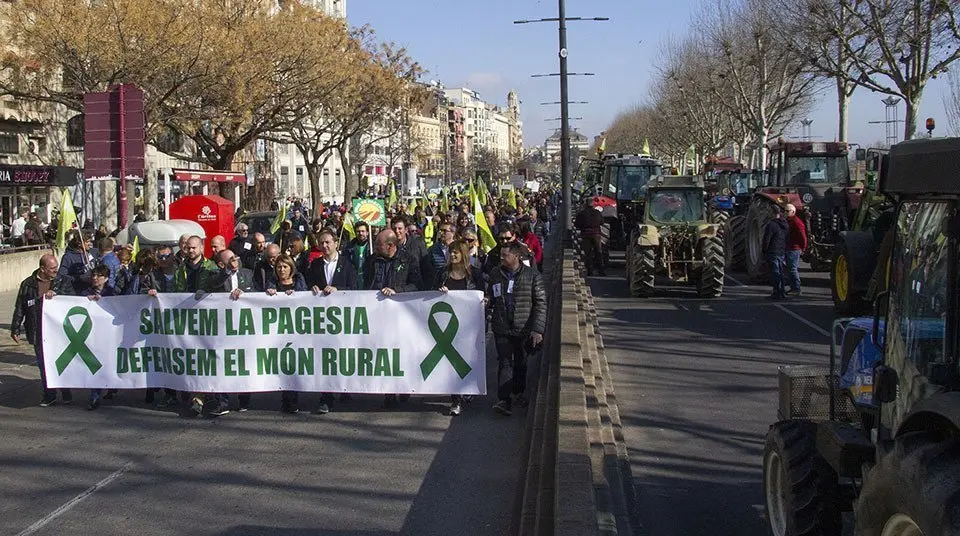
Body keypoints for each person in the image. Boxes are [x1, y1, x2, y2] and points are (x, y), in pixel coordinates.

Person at [487, 242, 546, 417]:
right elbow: (491, 294)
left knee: (520, 362)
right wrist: (487, 301)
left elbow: (541, 304)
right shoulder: (495, 274)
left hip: (523, 328)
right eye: (501, 255)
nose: (502, 258)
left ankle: (519, 392)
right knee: (505, 362)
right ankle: (504, 399)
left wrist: (537, 330)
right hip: (502, 327)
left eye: (505, 255)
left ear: (516, 256)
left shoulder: (532, 276)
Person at [303, 229, 357, 414]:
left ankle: (344, 387)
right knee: (325, 356)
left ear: (336, 243)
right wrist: (313, 288)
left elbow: (354, 288)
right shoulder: (315, 265)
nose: (324, 246)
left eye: (328, 242)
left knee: (341, 354)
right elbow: (308, 285)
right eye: (321, 243)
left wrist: (338, 289)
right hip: (322, 320)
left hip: (341, 319)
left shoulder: (347, 265)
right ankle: (326, 397)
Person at [366, 229, 421, 408]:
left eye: (378, 245)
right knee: (384, 352)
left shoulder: (408, 259)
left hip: (401, 314)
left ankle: (404, 385)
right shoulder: (372, 261)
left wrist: (398, 292)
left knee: (402, 352)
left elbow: (417, 284)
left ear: (390, 246)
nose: (375, 248)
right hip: (378, 314)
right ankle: (389, 391)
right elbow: (366, 283)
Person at [11, 254, 75, 406]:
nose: (56, 270)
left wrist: (58, 296)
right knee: (43, 364)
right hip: (37, 330)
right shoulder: (28, 284)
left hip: (58, 331)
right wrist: (15, 328)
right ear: (42, 269)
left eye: (56, 267)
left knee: (61, 362)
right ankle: (49, 394)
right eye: (52, 268)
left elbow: (72, 299)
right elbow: (20, 307)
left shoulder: (63, 281)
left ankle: (66, 391)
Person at [201, 248, 256, 414]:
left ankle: (244, 397)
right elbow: (214, 284)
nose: (235, 260)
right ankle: (222, 401)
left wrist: (245, 294)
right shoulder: (216, 274)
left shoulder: (247, 273)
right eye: (231, 258)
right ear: (221, 264)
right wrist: (226, 272)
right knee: (221, 361)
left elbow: (256, 293)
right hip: (223, 327)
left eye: (236, 257)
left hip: (244, 326)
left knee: (244, 360)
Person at [436, 239, 484, 417]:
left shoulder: (475, 274)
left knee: (468, 358)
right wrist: (438, 292)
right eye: (451, 251)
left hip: (469, 324)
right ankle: (455, 399)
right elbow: (430, 294)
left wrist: (484, 301)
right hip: (447, 324)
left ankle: (468, 389)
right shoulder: (442, 273)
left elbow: (481, 294)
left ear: (464, 254)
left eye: (456, 252)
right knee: (451, 363)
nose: (453, 255)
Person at [173, 235, 218, 416]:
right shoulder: (181, 269)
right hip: (186, 320)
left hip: (207, 320)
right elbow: (175, 292)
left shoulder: (211, 268)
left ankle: (200, 398)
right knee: (189, 356)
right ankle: (193, 395)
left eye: (194, 248)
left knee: (204, 357)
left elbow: (218, 289)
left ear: (201, 247)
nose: (190, 251)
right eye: (188, 248)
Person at [84, 264, 116, 410]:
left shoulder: (112, 293)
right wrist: (86, 300)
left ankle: (111, 387)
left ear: (106, 278)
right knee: (95, 364)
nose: (95, 278)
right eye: (94, 275)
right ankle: (94, 396)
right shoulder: (86, 293)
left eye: (99, 276)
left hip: (108, 335)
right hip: (93, 335)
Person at [391, 214, 428, 289]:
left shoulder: (418, 244)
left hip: (415, 288)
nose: (397, 231)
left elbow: (426, 266)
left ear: (406, 230)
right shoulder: (390, 246)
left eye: (400, 228)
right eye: (394, 229)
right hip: (396, 289)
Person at [762, 204, 789, 300]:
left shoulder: (771, 225)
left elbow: (767, 239)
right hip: (781, 250)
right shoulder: (784, 224)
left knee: (775, 272)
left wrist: (764, 250)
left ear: (772, 213)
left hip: (773, 250)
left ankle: (776, 291)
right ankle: (782, 291)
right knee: (780, 272)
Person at [574, 201, 605, 276]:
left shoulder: (582, 213)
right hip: (596, 235)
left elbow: (576, 224)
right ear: (593, 205)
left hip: (586, 235)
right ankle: (601, 271)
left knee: (588, 254)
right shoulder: (597, 213)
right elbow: (602, 222)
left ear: (585, 205)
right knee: (598, 253)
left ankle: (590, 271)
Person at [784, 203, 808, 297]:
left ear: (793, 212)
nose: (785, 213)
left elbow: (803, 237)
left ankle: (797, 289)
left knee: (793, 269)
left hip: (794, 248)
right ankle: (793, 287)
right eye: (785, 211)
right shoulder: (788, 221)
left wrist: (803, 247)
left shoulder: (796, 222)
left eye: (787, 211)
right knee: (790, 269)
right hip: (789, 247)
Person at [343, 221, 372, 287]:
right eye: (358, 231)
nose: (360, 233)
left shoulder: (373, 247)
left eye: (363, 231)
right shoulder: (349, 247)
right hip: (354, 279)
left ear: (367, 233)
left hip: (367, 278)